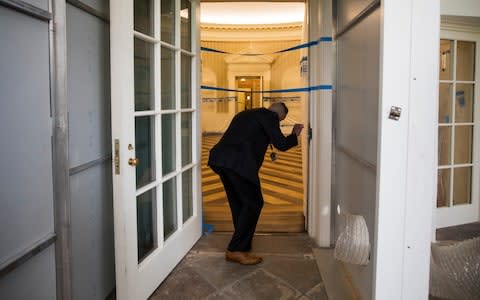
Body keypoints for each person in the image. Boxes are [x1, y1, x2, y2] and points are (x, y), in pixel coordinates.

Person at [208, 102, 304, 265]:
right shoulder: (270, 117)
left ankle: (242, 243)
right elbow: (281, 144)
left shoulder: (245, 114)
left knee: (239, 202)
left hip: (221, 160)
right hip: (239, 164)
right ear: (281, 115)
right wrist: (294, 134)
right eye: (280, 121)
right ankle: (236, 250)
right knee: (254, 203)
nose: (278, 123)